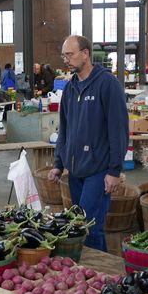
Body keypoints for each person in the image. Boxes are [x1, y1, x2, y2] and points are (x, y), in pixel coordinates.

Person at [48, 35, 128, 252]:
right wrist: (58, 163)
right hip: (75, 171)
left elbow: (118, 130)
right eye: (63, 55)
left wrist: (114, 170)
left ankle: (98, 276)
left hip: (98, 170)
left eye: (70, 54)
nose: (65, 60)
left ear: (85, 54)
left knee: (90, 228)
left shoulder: (107, 84)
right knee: (78, 225)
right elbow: (64, 129)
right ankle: (83, 273)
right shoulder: (70, 87)